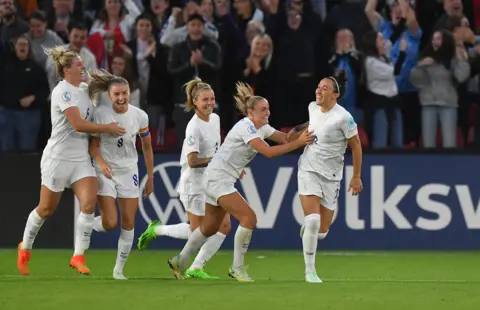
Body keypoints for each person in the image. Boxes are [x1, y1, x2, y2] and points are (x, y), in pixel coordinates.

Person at [167, 82, 314, 282]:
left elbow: (285, 138)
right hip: (218, 179)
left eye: (268, 109)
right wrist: (299, 143)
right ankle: (237, 268)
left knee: (209, 228)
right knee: (249, 218)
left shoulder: (261, 127)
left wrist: (312, 123)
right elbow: (269, 153)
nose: (268, 113)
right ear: (250, 113)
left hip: (214, 179)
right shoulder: (246, 127)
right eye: (263, 110)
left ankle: (180, 260)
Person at [17, 46, 126, 276]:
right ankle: (24, 247)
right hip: (57, 158)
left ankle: (78, 256)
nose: (83, 67)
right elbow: (78, 124)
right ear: (66, 70)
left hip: (80, 159)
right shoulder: (62, 92)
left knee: (88, 203)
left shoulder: (86, 89)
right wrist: (106, 128)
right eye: (78, 64)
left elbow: (112, 83)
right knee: (46, 208)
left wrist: (108, 80)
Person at [137, 77, 230, 280]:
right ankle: (157, 230)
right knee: (198, 232)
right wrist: (217, 161)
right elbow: (193, 160)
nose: (210, 103)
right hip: (194, 184)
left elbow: (217, 150)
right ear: (194, 102)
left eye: (212, 99)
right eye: (205, 99)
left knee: (224, 226)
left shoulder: (215, 119)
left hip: (212, 182)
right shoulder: (193, 127)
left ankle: (196, 267)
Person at [286, 70, 363, 283]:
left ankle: (311, 233)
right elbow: (311, 124)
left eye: (324, 88)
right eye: (318, 87)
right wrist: (296, 130)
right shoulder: (313, 106)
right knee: (312, 221)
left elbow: (356, 147)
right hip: (309, 169)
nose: (319, 91)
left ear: (335, 95)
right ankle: (310, 271)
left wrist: (356, 177)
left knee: (322, 231)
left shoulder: (344, 118)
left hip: (332, 176)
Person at [87, 69, 154, 280]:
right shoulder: (100, 114)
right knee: (109, 223)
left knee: (129, 221)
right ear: (110, 95)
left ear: (130, 92)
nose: (121, 98)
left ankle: (118, 270)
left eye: (124, 93)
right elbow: (93, 147)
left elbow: (148, 147)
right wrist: (101, 163)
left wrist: (150, 177)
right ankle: (87, 224)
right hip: (106, 170)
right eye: (116, 94)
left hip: (129, 171)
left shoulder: (140, 116)